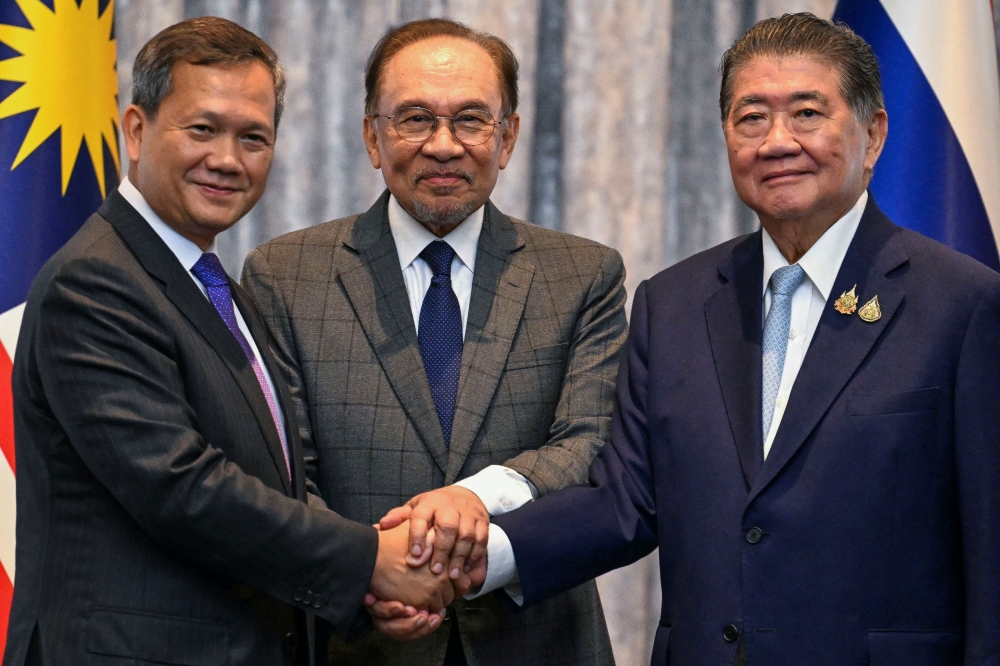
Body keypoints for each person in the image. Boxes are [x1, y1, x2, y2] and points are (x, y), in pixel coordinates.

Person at [418, 12, 1000, 665]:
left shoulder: (962, 306)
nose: (777, 141)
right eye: (751, 118)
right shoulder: (674, 304)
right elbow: (624, 502)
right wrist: (476, 559)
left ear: (873, 134)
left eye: (807, 113)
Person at [4, 18, 460, 666]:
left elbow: (270, 483)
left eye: (253, 137)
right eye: (202, 129)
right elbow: (182, 489)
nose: (227, 159)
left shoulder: (219, 288)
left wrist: (362, 591)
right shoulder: (96, 282)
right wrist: (370, 563)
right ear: (135, 130)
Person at [241, 17, 626, 666]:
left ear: (508, 138)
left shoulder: (584, 274)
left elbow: (591, 443)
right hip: (356, 645)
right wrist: (367, 573)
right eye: (415, 119)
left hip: (536, 642)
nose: (443, 146)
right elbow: (281, 472)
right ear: (372, 136)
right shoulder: (284, 275)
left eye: (471, 120)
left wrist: (474, 498)